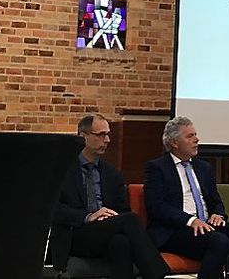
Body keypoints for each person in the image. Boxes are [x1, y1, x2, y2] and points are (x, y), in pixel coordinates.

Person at [51, 114, 170, 279]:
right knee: (130, 220)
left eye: (107, 134)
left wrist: (110, 217)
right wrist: (89, 216)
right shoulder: (62, 170)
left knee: (121, 243)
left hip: (105, 231)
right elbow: (54, 210)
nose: (107, 140)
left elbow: (122, 209)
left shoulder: (112, 173)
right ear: (82, 136)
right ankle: (157, 274)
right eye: (100, 135)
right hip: (75, 233)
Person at [144, 117, 229, 279]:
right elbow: (157, 206)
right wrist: (190, 220)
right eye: (190, 136)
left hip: (205, 226)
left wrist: (218, 213)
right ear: (174, 143)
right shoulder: (157, 168)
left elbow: (215, 200)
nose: (197, 139)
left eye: (195, 134)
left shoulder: (203, 167)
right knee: (219, 241)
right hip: (175, 231)